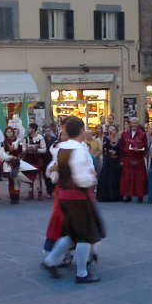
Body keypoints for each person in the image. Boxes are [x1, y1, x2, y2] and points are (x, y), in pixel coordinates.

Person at [41, 116, 104, 283]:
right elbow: (82, 178)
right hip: (77, 196)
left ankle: (50, 260)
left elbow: (53, 172)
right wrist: (93, 179)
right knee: (84, 235)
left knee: (71, 233)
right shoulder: (79, 149)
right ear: (81, 130)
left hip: (63, 196)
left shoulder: (61, 147)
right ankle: (82, 273)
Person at [120, 117, 148, 203]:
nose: (134, 125)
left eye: (136, 123)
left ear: (138, 124)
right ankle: (128, 195)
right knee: (127, 178)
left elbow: (145, 147)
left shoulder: (142, 134)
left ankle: (140, 196)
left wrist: (139, 150)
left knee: (139, 179)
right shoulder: (124, 134)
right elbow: (121, 146)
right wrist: (121, 159)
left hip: (138, 159)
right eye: (132, 123)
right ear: (130, 124)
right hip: (127, 159)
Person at [97, 124, 122, 202]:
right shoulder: (106, 139)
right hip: (108, 161)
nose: (112, 131)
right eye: (110, 130)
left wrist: (117, 154)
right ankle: (105, 197)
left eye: (113, 130)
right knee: (105, 178)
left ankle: (115, 197)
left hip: (116, 161)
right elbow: (104, 149)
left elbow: (121, 150)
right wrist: (109, 152)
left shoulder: (120, 139)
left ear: (116, 131)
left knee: (115, 179)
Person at [0, 126, 24, 204]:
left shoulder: (18, 141)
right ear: (5, 133)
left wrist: (17, 158)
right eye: (7, 132)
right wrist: (9, 157)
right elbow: (2, 153)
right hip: (8, 162)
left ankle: (16, 197)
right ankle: (12, 197)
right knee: (11, 180)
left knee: (16, 180)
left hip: (17, 162)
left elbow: (21, 152)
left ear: (13, 133)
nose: (9, 133)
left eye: (10, 132)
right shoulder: (3, 143)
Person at [23, 123, 47, 200]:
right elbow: (23, 149)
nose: (28, 130)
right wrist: (27, 148)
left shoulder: (40, 138)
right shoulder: (26, 138)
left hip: (37, 158)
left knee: (38, 176)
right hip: (29, 158)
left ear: (33, 129)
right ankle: (30, 192)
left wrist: (36, 149)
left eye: (29, 128)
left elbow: (44, 149)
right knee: (29, 176)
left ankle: (39, 192)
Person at [42, 125, 57, 196]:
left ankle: (53, 188)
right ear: (44, 132)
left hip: (53, 159)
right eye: (46, 131)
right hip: (45, 159)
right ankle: (49, 191)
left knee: (53, 174)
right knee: (46, 176)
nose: (48, 132)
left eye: (49, 131)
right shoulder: (43, 139)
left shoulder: (55, 139)